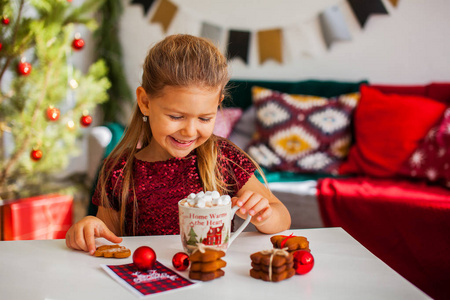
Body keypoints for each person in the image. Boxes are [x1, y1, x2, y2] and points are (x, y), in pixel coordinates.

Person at [65, 34, 291, 255]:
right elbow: (108, 241)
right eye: (175, 117)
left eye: (204, 118)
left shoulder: (223, 157)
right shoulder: (119, 171)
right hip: (150, 285)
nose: (189, 131)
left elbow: (282, 216)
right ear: (145, 102)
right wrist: (89, 227)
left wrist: (265, 215)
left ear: (218, 103)